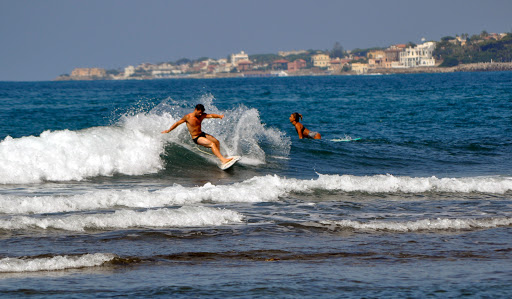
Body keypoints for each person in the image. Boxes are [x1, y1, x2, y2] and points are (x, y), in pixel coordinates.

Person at [162, 104, 233, 165]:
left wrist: (219, 116)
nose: (200, 114)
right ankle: (223, 160)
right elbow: (177, 123)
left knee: (217, 142)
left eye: (201, 113)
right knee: (212, 144)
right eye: (199, 113)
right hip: (196, 138)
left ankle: (219, 157)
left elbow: (211, 115)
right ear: (195, 109)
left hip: (202, 134)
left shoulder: (201, 115)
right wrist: (168, 130)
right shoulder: (188, 117)